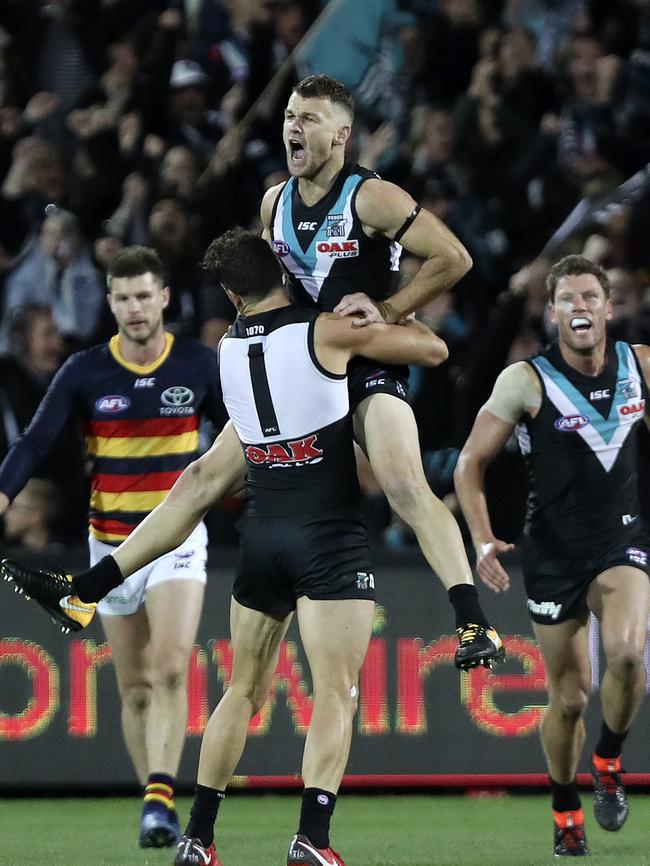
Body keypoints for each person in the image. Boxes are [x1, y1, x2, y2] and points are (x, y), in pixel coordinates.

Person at [3, 227, 449, 866]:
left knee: (239, 689)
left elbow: (207, 476)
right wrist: (383, 312)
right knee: (334, 692)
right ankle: (312, 841)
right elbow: (431, 349)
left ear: (226, 295)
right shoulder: (321, 330)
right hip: (325, 535)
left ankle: (197, 835)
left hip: (258, 536)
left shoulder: (229, 352)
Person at [261, 72, 503, 668]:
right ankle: (91, 588)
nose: (293, 126)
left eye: (308, 119)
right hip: (309, 367)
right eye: (290, 115)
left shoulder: (370, 196)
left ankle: (473, 622)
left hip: (369, 366)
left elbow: (455, 257)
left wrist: (392, 308)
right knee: (208, 476)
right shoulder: (273, 202)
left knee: (403, 482)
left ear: (342, 135)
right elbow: (280, 291)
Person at [0, 245, 225, 849]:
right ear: (110, 303)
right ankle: (153, 803)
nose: (134, 307)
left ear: (164, 297)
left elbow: (244, 439)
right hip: (110, 545)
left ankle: (159, 798)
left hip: (177, 540)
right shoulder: (86, 371)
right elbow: (34, 444)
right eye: (123, 298)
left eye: (144, 295)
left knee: (172, 666)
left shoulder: (200, 365)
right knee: (135, 689)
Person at [454, 254, 650, 856]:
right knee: (568, 699)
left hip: (622, 541)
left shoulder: (640, 366)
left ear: (609, 306)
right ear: (553, 311)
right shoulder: (526, 381)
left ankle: (610, 759)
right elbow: (468, 465)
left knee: (626, 650)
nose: (581, 307)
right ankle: (566, 806)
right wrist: (483, 538)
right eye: (568, 299)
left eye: (591, 296)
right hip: (553, 553)